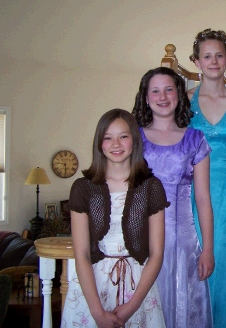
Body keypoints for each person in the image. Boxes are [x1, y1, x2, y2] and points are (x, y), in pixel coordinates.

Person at [61, 108, 168, 328]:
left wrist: (132, 306)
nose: (116, 144)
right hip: (92, 288)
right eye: (108, 138)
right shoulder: (82, 188)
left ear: (134, 141)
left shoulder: (151, 187)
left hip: (138, 287)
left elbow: (157, 253)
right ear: (99, 143)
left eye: (123, 136)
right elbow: (80, 253)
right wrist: (97, 312)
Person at [132, 67, 215, 327]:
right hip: (141, 238)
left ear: (179, 94)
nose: (163, 96)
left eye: (169, 89)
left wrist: (208, 249)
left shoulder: (195, 139)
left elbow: (202, 198)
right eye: (155, 90)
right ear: (146, 97)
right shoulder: (134, 138)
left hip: (183, 242)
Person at [188, 29, 226, 328]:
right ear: (197, 62)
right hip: (188, 195)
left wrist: (225, 186)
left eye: (219, 55)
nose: (213, 61)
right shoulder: (182, 102)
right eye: (207, 56)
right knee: (191, 264)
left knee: (224, 264)